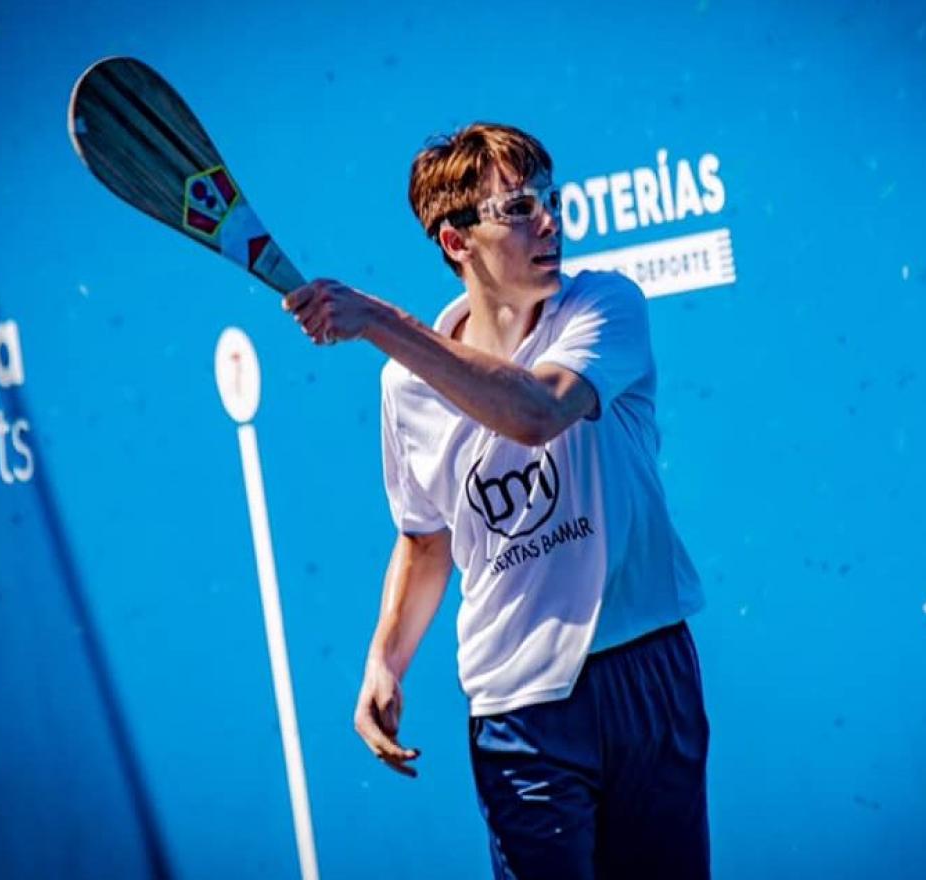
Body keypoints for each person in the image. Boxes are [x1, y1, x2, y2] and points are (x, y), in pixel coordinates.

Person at [281, 122, 709, 879]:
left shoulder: (603, 307)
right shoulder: (403, 388)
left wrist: (379, 322)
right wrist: (386, 661)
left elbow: (537, 413)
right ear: (456, 243)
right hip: (520, 711)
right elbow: (425, 540)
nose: (548, 222)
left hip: (647, 671)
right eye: (517, 209)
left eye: (549, 199)